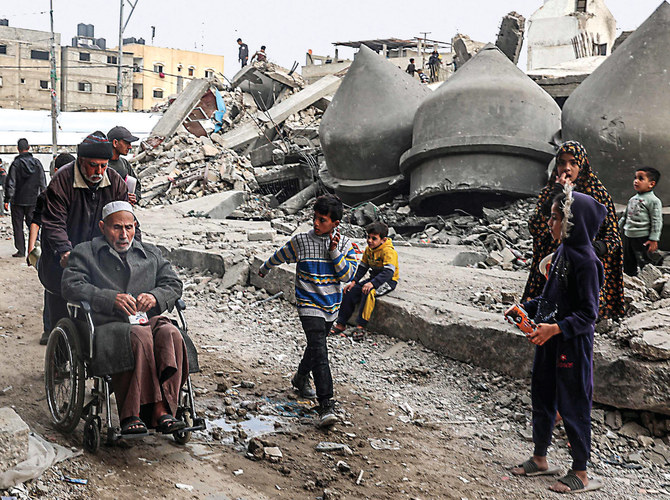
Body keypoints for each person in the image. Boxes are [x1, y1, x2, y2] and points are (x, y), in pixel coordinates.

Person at [62, 201, 188, 435]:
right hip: (106, 326)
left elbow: (173, 283)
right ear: (102, 226)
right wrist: (110, 298)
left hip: (143, 321)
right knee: (139, 337)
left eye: (129, 227)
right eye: (116, 227)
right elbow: (71, 285)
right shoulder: (85, 252)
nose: (123, 234)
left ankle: (165, 408)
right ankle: (133, 413)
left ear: (135, 227)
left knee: (171, 333)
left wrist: (154, 296)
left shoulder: (150, 253)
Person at [510, 186, 605, 494]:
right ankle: (540, 457)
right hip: (549, 341)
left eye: (555, 218)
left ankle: (580, 470)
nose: (549, 223)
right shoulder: (562, 252)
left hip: (572, 346)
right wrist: (526, 309)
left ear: (572, 221)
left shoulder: (587, 262)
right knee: (543, 394)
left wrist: (555, 328)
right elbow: (550, 298)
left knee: (573, 402)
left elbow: (589, 315)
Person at [257, 194, 356, 427]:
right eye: (315, 218)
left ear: (335, 224)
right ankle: (326, 404)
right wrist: (264, 268)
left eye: (322, 220)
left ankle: (301, 377)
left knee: (316, 347)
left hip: (331, 305)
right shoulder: (301, 241)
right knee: (320, 351)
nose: (316, 223)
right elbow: (281, 254)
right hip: (308, 303)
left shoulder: (344, 244)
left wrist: (333, 252)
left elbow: (347, 276)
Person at [39, 131, 129, 332]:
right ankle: (58, 352)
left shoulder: (115, 182)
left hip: (99, 257)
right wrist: (64, 250)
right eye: (93, 165)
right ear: (81, 161)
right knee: (60, 309)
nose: (99, 171)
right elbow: (54, 222)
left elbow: (126, 220)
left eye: (103, 166)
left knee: (98, 309)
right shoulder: (61, 181)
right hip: (61, 256)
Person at [523, 141, 624, 319]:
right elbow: (535, 227)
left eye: (573, 163)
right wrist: (556, 195)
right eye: (562, 162)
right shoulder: (550, 192)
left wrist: (587, 251)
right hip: (551, 265)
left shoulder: (597, 194)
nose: (566, 168)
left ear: (582, 165)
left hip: (581, 269)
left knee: (578, 315)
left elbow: (613, 237)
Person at [27, 152, 75, 345]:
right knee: (53, 292)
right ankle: (51, 331)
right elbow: (35, 222)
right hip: (53, 254)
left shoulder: (78, 195)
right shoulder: (47, 195)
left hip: (72, 251)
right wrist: (31, 248)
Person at [330, 221, 399, 341]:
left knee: (368, 293)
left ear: (383, 240)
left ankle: (360, 326)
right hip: (374, 278)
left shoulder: (388, 251)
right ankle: (341, 323)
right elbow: (363, 267)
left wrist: (373, 284)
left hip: (388, 280)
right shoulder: (369, 249)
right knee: (349, 291)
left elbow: (388, 273)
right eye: (368, 237)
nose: (370, 241)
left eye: (374, 238)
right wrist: (354, 281)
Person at [4, 138, 47, 257]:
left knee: (18, 227)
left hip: (17, 201)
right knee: (34, 224)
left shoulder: (15, 164)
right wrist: (44, 198)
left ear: (18, 149)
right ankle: (35, 249)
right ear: (28, 148)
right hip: (34, 200)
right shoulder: (37, 163)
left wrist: (7, 200)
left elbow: (11, 183)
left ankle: (21, 250)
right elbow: (42, 182)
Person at [619, 166, 663, 275]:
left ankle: (651, 275)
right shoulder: (632, 199)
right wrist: (617, 228)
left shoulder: (654, 201)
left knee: (645, 259)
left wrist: (654, 239)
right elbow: (625, 216)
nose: (636, 181)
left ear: (651, 184)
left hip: (642, 237)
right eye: (635, 178)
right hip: (628, 235)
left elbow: (656, 221)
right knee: (628, 259)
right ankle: (630, 277)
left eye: (640, 178)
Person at [107, 126, 142, 205]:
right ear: (115, 143)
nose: (130, 147)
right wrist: (121, 198)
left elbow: (137, 186)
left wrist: (134, 197)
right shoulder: (102, 166)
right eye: (126, 143)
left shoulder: (124, 163)